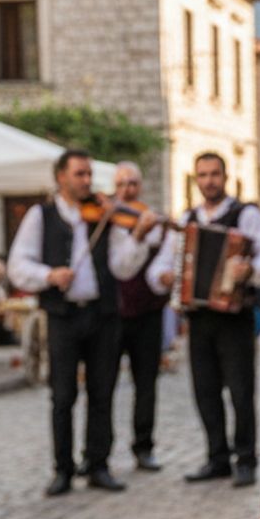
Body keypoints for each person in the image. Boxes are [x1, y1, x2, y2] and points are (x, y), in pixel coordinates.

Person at [9, 149, 159, 497]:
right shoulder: (40, 215)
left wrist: (136, 236)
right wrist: (49, 275)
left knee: (102, 392)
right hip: (63, 316)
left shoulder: (104, 214)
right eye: (80, 174)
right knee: (62, 395)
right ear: (61, 177)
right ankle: (62, 469)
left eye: (90, 174)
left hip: (102, 314)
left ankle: (98, 464)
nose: (87, 181)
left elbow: (124, 267)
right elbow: (18, 264)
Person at [145, 153, 260, 488]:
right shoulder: (187, 219)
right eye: (202, 175)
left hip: (236, 317)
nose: (209, 180)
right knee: (205, 391)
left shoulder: (246, 215)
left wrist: (249, 269)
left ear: (225, 176)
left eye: (214, 174)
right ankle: (216, 457)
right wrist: (161, 278)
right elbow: (162, 263)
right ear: (196, 179)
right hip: (199, 318)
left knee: (241, 391)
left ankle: (245, 459)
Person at [111, 161, 173, 472]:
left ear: (141, 187)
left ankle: (143, 446)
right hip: (112, 316)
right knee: (104, 385)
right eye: (121, 184)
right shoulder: (107, 224)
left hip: (148, 313)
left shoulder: (154, 224)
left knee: (146, 383)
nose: (127, 189)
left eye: (132, 183)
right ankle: (99, 453)